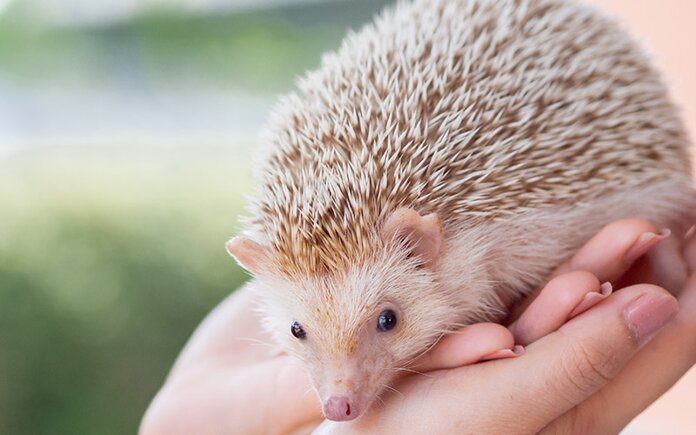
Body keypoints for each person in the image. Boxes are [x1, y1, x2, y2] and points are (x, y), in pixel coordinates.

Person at [140, 218, 696, 434]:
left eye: (385, 320)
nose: (339, 397)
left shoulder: (482, 242)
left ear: (421, 246)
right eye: (300, 332)